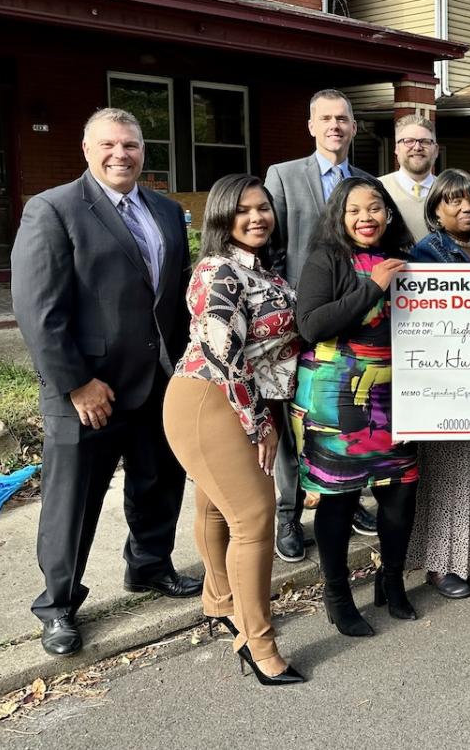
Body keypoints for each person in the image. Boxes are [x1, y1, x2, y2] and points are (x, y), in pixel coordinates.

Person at [11, 107, 199, 657]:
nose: (122, 155)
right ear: (87, 149)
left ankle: (149, 567)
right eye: (110, 145)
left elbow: (173, 295)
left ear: (145, 150)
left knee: (159, 483)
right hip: (87, 389)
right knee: (73, 503)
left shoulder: (165, 211)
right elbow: (38, 310)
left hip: (157, 381)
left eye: (133, 145)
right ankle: (58, 605)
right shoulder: (54, 209)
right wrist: (76, 384)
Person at [162, 174, 303, 686]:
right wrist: (261, 424)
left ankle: (220, 602)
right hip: (211, 399)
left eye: (263, 208)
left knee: (214, 504)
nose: (257, 217)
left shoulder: (266, 272)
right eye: (243, 210)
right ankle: (257, 641)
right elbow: (225, 357)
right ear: (222, 216)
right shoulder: (217, 270)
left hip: (241, 400)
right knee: (255, 516)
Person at [291, 176, 419, 634]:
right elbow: (311, 324)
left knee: (400, 490)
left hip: (395, 391)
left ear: (388, 213)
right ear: (339, 217)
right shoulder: (326, 257)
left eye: (375, 208)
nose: (366, 218)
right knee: (339, 498)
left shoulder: (406, 257)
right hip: (334, 392)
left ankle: (392, 581)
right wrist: (372, 287)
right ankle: (337, 594)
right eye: (355, 210)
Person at [264, 89, 375, 564]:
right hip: (299, 325)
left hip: (355, 327)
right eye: (326, 119)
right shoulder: (284, 177)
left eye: (343, 119)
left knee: (346, 417)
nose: (335, 126)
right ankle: (288, 515)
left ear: (353, 128)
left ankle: (345, 502)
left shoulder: (367, 183)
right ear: (311, 126)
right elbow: (271, 248)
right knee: (294, 424)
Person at [405, 169, 470, 599]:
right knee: (450, 471)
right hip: (448, 381)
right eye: (454, 201)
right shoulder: (428, 251)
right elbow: (428, 315)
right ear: (436, 210)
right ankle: (441, 561)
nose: (466, 207)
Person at [379, 114, 439, 240]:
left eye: (425, 142)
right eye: (409, 141)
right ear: (396, 148)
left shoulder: (449, 191)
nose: (417, 147)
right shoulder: (377, 189)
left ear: (436, 150)